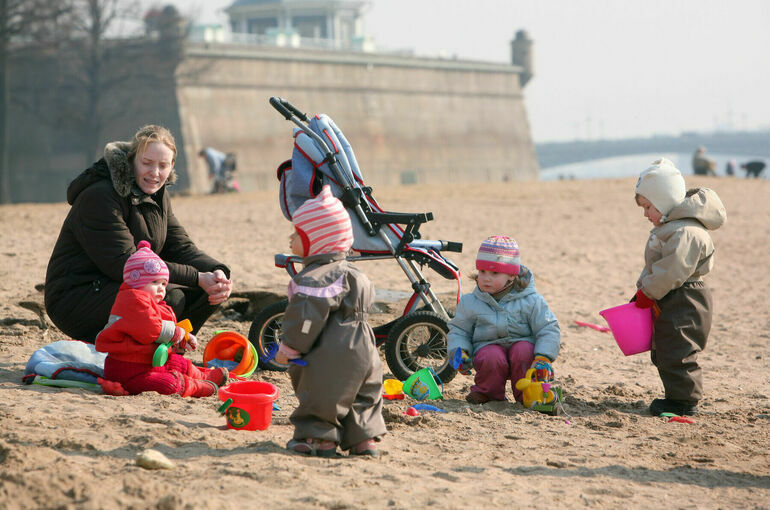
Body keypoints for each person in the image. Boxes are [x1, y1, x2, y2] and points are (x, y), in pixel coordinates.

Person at [45, 125, 233, 343]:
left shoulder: (157, 194)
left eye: (163, 165)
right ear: (132, 159)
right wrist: (197, 277)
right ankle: (136, 350)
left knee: (210, 290)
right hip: (77, 296)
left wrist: (217, 272)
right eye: (147, 163)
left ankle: (167, 346)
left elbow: (180, 246)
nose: (155, 173)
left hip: (122, 284)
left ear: (172, 165)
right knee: (170, 295)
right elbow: (124, 263)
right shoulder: (100, 196)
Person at [275, 185, 386, 457]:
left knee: (321, 393)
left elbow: (306, 318)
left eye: (298, 234)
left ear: (317, 241)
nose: (291, 239)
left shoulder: (315, 278)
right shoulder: (356, 274)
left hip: (333, 350)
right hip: (365, 349)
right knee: (363, 395)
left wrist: (290, 348)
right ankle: (364, 440)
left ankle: (319, 439)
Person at [632, 158, 726, 416]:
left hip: (686, 297)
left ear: (663, 201)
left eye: (648, 206)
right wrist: (642, 290)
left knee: (679, 349)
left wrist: (648, 292)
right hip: (671, 294)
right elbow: (656, 268)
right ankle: (675, 395)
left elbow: (671, 270)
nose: (645, 214)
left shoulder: (686, 232)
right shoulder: (670, 229)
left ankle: (684, 402)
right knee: (664, 347)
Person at [95, 241, 229, 397]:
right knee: (169, 383)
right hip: (130, 371)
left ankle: (203, 377)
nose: (161, 288)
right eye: (154, 282)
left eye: (164, 284)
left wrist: (183, 339)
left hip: (148, 361)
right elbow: (151, 329)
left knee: (180, 363)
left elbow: (165, 330)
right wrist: (176, 333)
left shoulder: (152, 302)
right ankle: (195, 387)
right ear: (136, 281)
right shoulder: (132, 300)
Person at [447, 235, 561, 405]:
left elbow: (548, 328)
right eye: (482, 272)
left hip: (522, 354)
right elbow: (459, 330)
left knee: (523, 350)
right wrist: (460, 351)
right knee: (491, 355)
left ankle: (529, 394)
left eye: (494, 273)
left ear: (511, 276)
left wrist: (543, 357)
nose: (486, 278)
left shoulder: (531, 300)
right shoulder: (470, 302)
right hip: (488, 353)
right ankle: (488, 393)